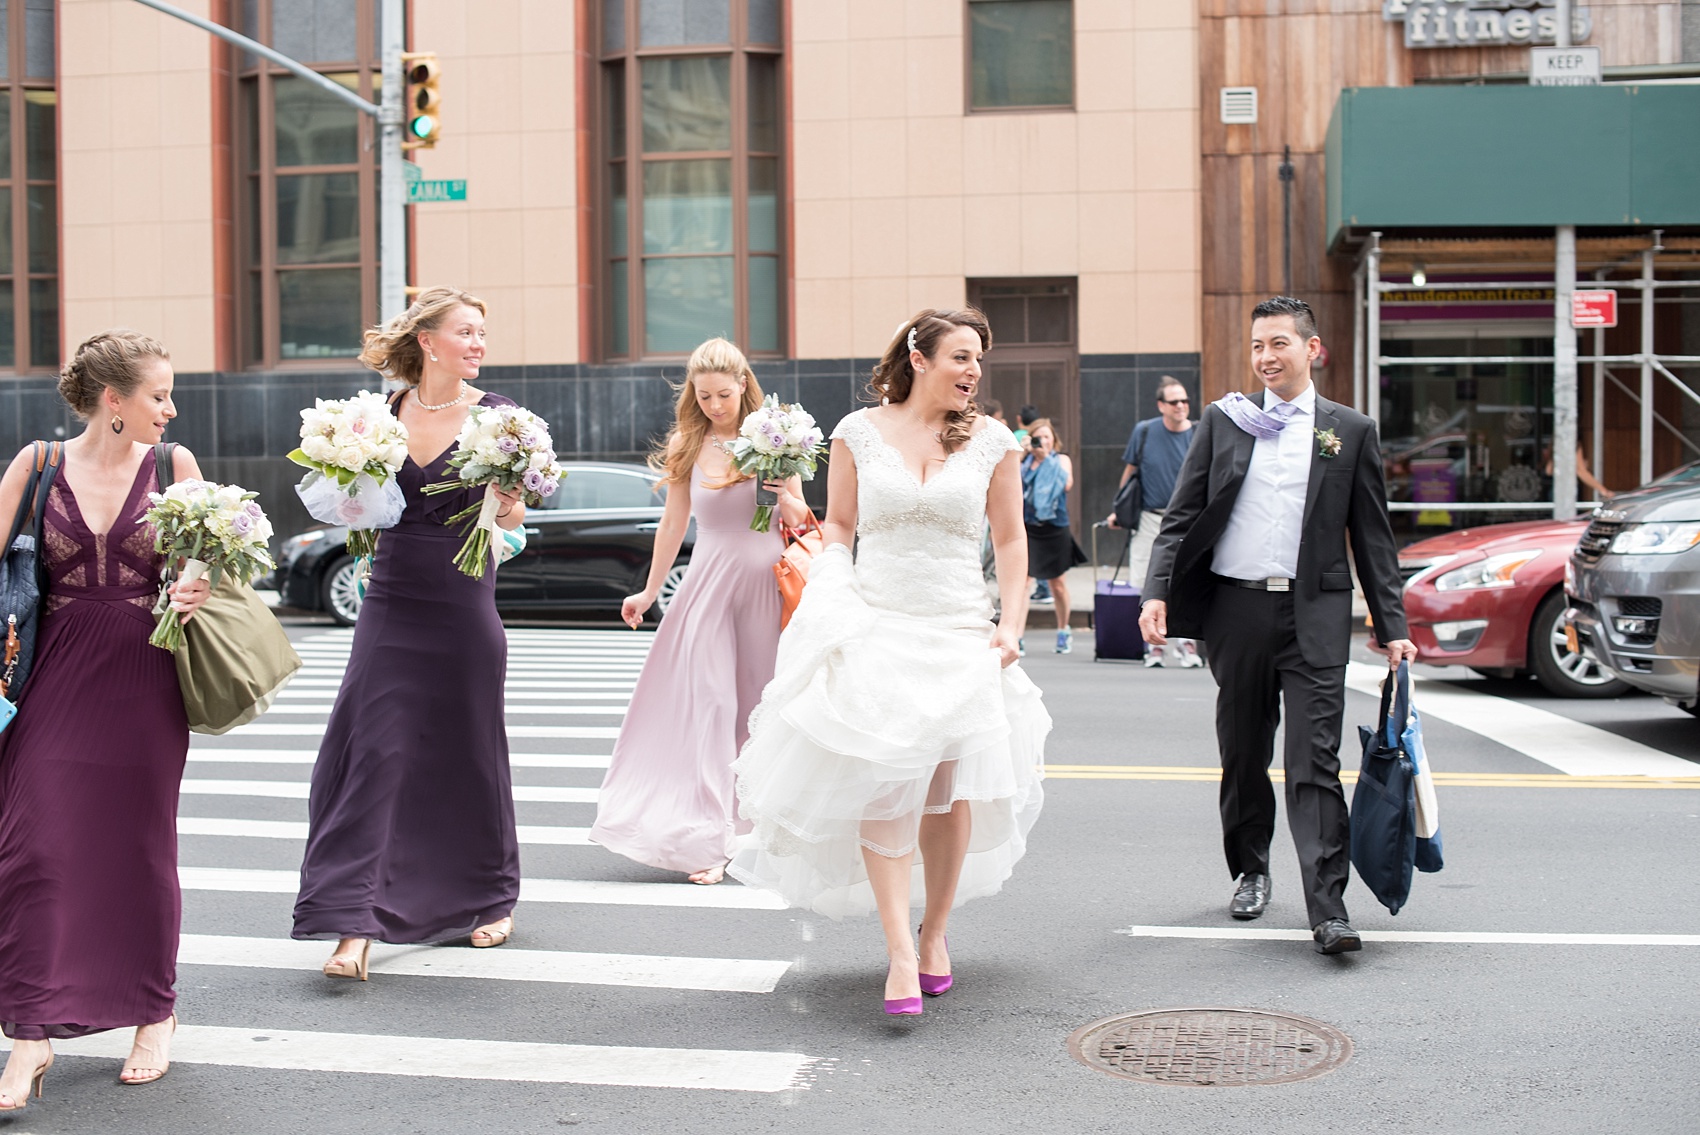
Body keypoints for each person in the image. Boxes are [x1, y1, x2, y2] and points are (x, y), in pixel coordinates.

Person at [729, 307, 1049, 1015]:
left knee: (948, 787)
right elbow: (839, 525)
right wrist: (831, 587)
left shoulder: (994, 440)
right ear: (919, 356)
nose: (973, 372)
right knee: (886, 784)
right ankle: (899, 951)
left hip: (961, 627)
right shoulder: (856, 433)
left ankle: (935, 933)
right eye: (961, 357)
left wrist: (1012, 625)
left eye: (978, 361)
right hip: (877, 621)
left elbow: (1011, 541)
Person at [1139, 296, 1415, 956]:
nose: (1266, 356)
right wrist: (1157, 592)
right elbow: (1180, 517)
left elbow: (1373, 536)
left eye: (1280, 344)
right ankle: (1251, 870)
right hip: (1236, 610)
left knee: (1314, 760)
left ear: (1312, 349)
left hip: (1314, 612)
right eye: (1258, 345)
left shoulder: (1347, 429)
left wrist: (1391, 620)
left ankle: (1328, 906)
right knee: (1242, 751)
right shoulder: (1224, 422)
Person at [0, 331, 212, 1106]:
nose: (170, 407)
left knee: (139, 848)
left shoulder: (175, 467)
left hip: (147, 675)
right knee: (34, 850)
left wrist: (197, 584)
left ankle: (153, 1011)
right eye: (158, 394)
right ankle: (28, 1034)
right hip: (52, 677)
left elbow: (209, 560)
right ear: (113, 401)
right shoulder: (36, 464)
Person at [293, 287, 528, 978]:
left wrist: (511, 504)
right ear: (429, 341)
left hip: (465, 603)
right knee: (373, 754)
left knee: (468, 755)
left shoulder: (502, 417)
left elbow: (512, 521)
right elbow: (348, 505)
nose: (479, 343)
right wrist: (348, 489)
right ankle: (353, 924)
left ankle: (488, 896)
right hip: (391, 601)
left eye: (483, 332)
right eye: (466, 331)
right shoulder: (374, 416)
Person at [590, 338, 808, 885]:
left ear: (742, 386)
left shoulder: (775, 439)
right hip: (708, 588)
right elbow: (672, 524)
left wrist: (786, 495)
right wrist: (648, 590)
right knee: (709, 704)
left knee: (755, 710)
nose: (714, 404)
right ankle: (708, 841)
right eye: (703, 395)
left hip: (764, 587)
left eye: (723, 394)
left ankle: (750, 832)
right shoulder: (689, 443)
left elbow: (802, 517)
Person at [1106, 378, 1202, 668]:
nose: (1181, 406)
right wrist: (1119, 511)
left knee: (1187, 580)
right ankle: (1153, 646)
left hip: (1188, 520)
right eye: (1174, 402)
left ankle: (1187, 644)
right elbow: (1131, 472)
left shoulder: (1199, 433)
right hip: (1150, 517)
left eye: (1185, 401)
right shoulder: (1145, 431)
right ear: (1161, 405)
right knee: (1144, 580)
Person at [1021, 419, 1086, 654]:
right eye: (1038, 437)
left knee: (1057, 584)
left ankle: (1063, 629)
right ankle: (1017, 635)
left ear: (1053, 440)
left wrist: (1045, 457)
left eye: (1047, 437)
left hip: (1055, 527)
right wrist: (1023, 452)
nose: (1043, 442)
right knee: (1024, 583)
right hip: (1029, 526)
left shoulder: (1060, 460)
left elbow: (1066, 484)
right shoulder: (1025, 462)